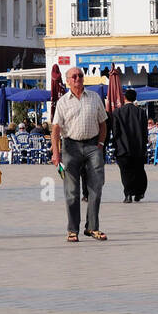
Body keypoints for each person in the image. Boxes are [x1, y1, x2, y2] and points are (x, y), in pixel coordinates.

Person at [50, 66, 109, 242]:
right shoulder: (62, 102)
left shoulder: (94, 97)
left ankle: (92, 228)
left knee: (96, 187)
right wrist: (56, 153)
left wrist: (100, 143)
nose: (77, 78)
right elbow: (55, 129)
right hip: (70, 146)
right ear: (67, 81)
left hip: (92, 146)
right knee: (72, 190)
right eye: (74, 76)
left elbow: (103, 123)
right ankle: (72, 229)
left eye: (80, 76)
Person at [111, 88, 148, 203]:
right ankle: (139, 193)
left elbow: (115, 131)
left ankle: (128, 195)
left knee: (126, 172)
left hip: (123, 148)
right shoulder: (141, 112)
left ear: (124, 98)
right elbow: (144, 131)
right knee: (139, 171)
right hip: (138, 148)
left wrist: (115, 145)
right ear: (135, 98)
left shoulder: (117, 112)